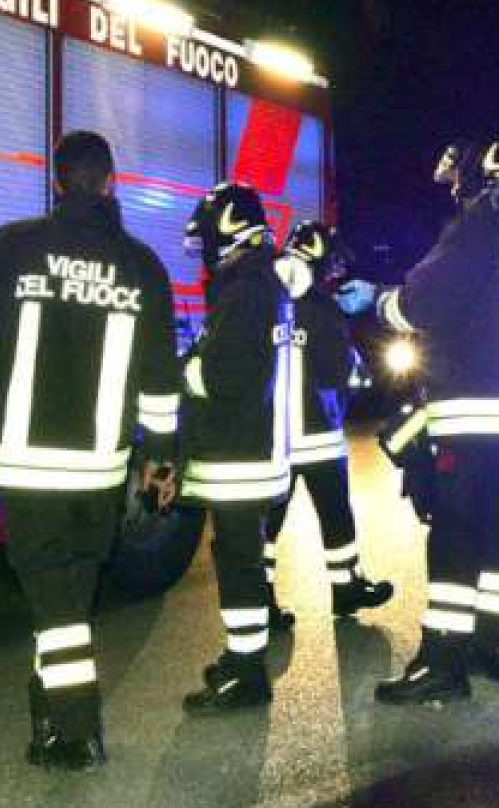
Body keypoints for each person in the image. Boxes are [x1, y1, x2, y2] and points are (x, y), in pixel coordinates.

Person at [0, 130, 181, 772]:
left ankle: (76, 732)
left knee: (57, 608)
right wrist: (160, 464)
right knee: (68, 602)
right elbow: (159, 383)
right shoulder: (144, 268)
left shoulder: (10, 248)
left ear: (57, 182)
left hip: (28, 468)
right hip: (99, 473)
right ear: (111, 183)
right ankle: (49, 722)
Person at [344, 137, 499, 705]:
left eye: (459, 183)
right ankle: (496, 647)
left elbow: (419, 303)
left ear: (478, 182)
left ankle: (443, 662)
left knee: (454, 535)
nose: (455, 193)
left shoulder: (474, 232)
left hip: (471, 411)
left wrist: (374, 298)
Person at [177, 182, 296, 715]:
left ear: (228, 230)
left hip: (240, 452)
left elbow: (225, 375)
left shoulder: (246, 288)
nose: (205, 251)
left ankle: (247, 674)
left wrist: (185, 371)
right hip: (255, 448)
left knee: (238, 560)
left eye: (207, 238)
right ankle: (242, 659)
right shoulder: (262, 281)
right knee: (239, 556)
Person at [262, 221, 395, 627]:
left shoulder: (262, 298)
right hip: (318, 438)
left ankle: (260, 598)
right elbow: (342, 373)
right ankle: (346, 589)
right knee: (336, 517)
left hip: (273, 440)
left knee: (268, 524)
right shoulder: (325, 310)